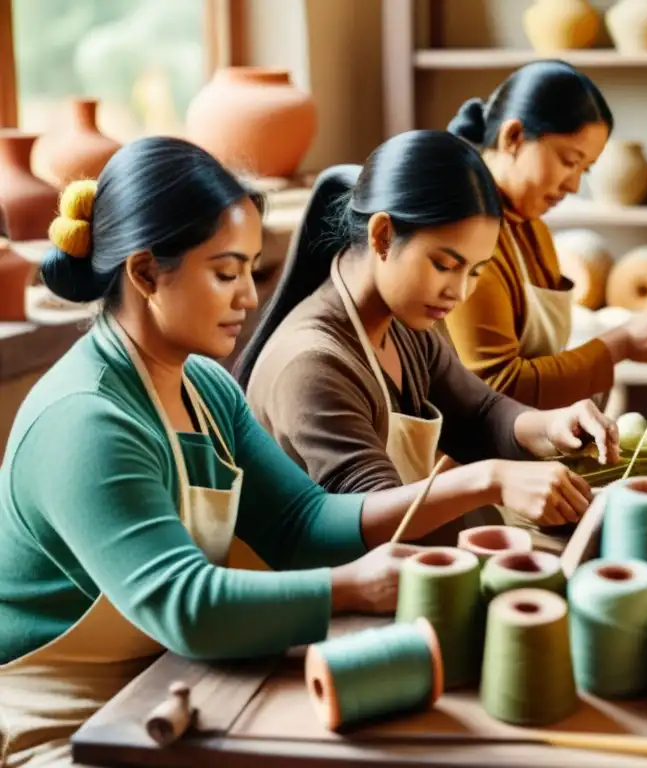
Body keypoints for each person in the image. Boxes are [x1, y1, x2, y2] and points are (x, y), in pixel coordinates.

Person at [0, 136, 475, 766]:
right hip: (61, 721)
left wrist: (479, 484)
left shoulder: (206, 388)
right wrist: (353, 589)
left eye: (250, 270)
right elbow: (188, 605)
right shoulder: (86, 421)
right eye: (226, 273)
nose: (249, 298)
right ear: (145, 273)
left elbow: (301, 523)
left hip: (168, 687)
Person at [235, 130, 619, 548]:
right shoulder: (312, 365)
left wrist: (553, 425)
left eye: (474, 271)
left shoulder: (400, 324)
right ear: (382, 236)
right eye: (444, 265)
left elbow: (479, 415)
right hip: (330, 594)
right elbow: (371, 515)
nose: (461, 291)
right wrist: (492, 479)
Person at [442, 59, 647, 410]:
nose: (574, 185)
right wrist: (619, 345)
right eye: (568, 160)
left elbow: (539, 361)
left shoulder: (532, 228)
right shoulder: (462, 233)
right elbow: (497, 386)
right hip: (461, 459)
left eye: (585, 169)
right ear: (513, 137)